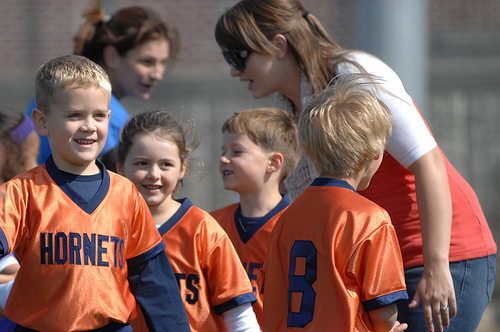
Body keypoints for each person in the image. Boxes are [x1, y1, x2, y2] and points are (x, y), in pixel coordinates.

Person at [215, 1, 496, 331]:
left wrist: (437, 265)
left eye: (237, 56)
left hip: (434, 255)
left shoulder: (352, 71)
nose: (234, 71)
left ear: (277, 46)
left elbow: (428, 161)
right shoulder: (291, 105)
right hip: (370, 257)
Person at [0, 54, 190, 331]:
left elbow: (154, 281)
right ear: (42, 122)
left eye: (98, 115)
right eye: (74, 115)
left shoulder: (127, 194)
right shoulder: (22, 191)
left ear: (109, 118)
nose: (89, 126)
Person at [262, 74, 408, 331]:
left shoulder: (286, 217)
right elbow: (383, 309)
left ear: (308, 151)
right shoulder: (370, 219)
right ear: (374, 153)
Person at [116, 109, 260, 332]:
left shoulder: (202, 229)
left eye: (166, 164)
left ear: (182, 169)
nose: (154, 174)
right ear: (120, 168)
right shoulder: (110, 227)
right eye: (142, 163)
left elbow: (238, 313)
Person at [27, 1, 179, 167]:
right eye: (147, 61)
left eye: (162, 62)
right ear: (111, 56)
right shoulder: (116, 122)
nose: (158, 74)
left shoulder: (50, 94)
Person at [210, 107, 301, 329]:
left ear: (274, 162)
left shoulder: (296, 227)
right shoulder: (211, 225)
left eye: (236, 151)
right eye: (224, 150)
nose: (223, 158)